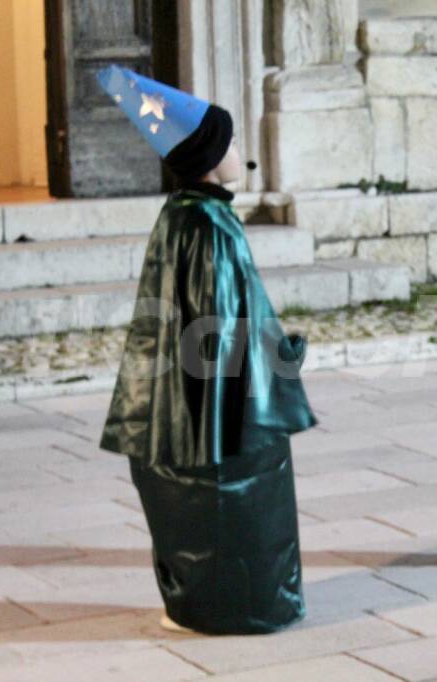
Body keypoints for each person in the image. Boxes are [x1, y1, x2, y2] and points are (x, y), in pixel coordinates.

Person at [96, 65, 317, 633]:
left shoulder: (178, 217)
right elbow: (220, 329)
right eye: (230, 143)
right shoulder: (211, 225)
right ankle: (242, 606)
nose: (240, 153)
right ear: (207, 159)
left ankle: (200, 601)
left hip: (183, 403)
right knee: (241, 503)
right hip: (222, 410)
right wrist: (272, 366)